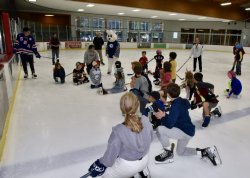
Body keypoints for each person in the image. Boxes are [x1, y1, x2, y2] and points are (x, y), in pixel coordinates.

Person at [88, 93, 153, 178]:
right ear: (137, 105)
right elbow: (150, 139)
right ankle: (143, 171)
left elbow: (109, 158)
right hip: (145, 160)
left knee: (106, 175)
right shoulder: (145, 120)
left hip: (128, 166)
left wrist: (100, 163)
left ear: (122, 108)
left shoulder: (118, 131)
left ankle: (128, 174)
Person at [153, 83, 221, 166]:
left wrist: (162, 117)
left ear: (170, 95)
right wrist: (165, 115)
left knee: (160, 129)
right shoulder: (181, 100)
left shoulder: (176, 106)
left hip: (184, 131)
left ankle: (168, 154)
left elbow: (170, 124)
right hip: (188, 130)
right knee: (180, 152)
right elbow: (176, 116)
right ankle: (205, 152)